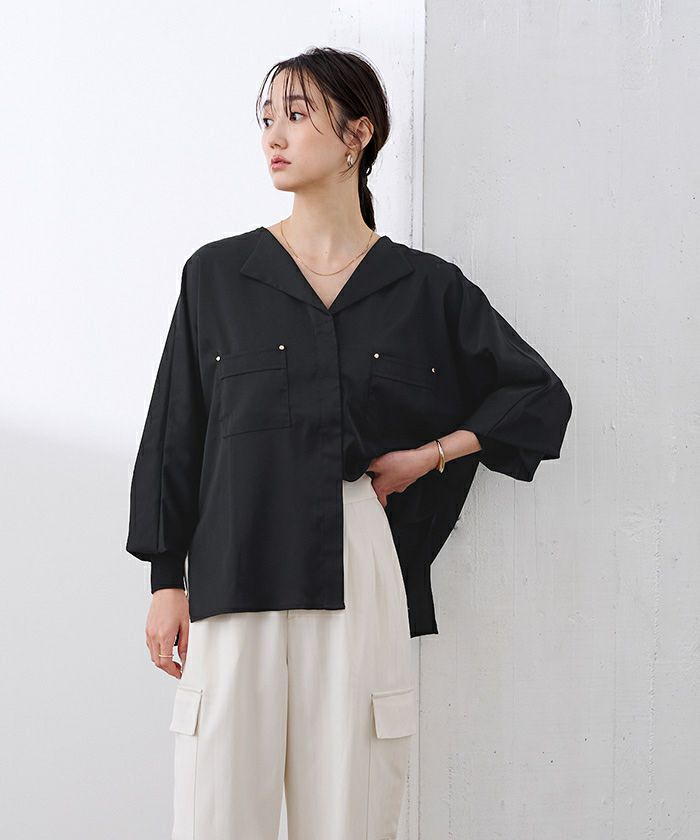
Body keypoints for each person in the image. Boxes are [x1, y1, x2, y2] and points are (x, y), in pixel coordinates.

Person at [125, 46, 572, 840]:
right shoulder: (218, 276)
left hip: (357, 570)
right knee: (217, 811)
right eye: (267, 118)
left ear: (357, 135)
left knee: (352, 810)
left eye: (297, 115)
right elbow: (174, 433)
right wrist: (167, 580)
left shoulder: (424, 288)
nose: (274, 135)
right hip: (232, 568)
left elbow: (537, 394)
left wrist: (432, 455)